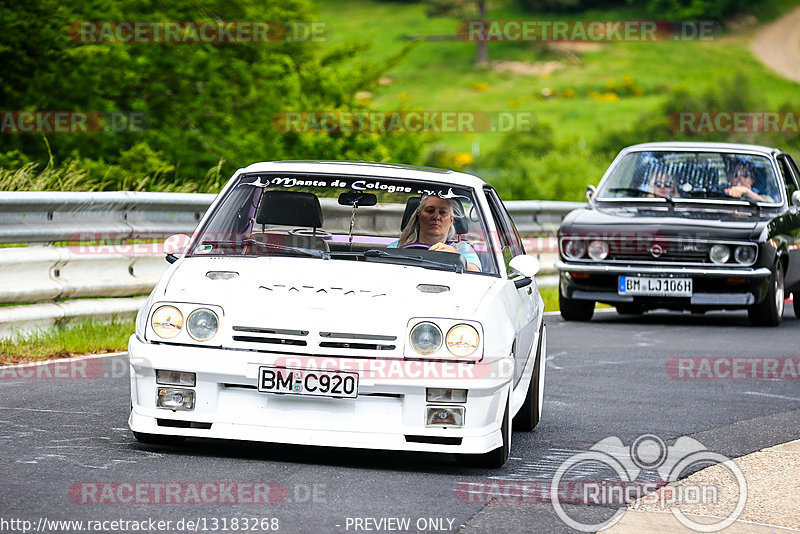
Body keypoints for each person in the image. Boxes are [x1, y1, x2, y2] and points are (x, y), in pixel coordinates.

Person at [388, 195, 481, 272]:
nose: (436, 217)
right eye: (430, 210)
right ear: (418, 215)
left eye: (443, 212)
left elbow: (477, 274)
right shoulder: (397, 246)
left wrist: (456, 257)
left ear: (451, 220)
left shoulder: (462, 248)